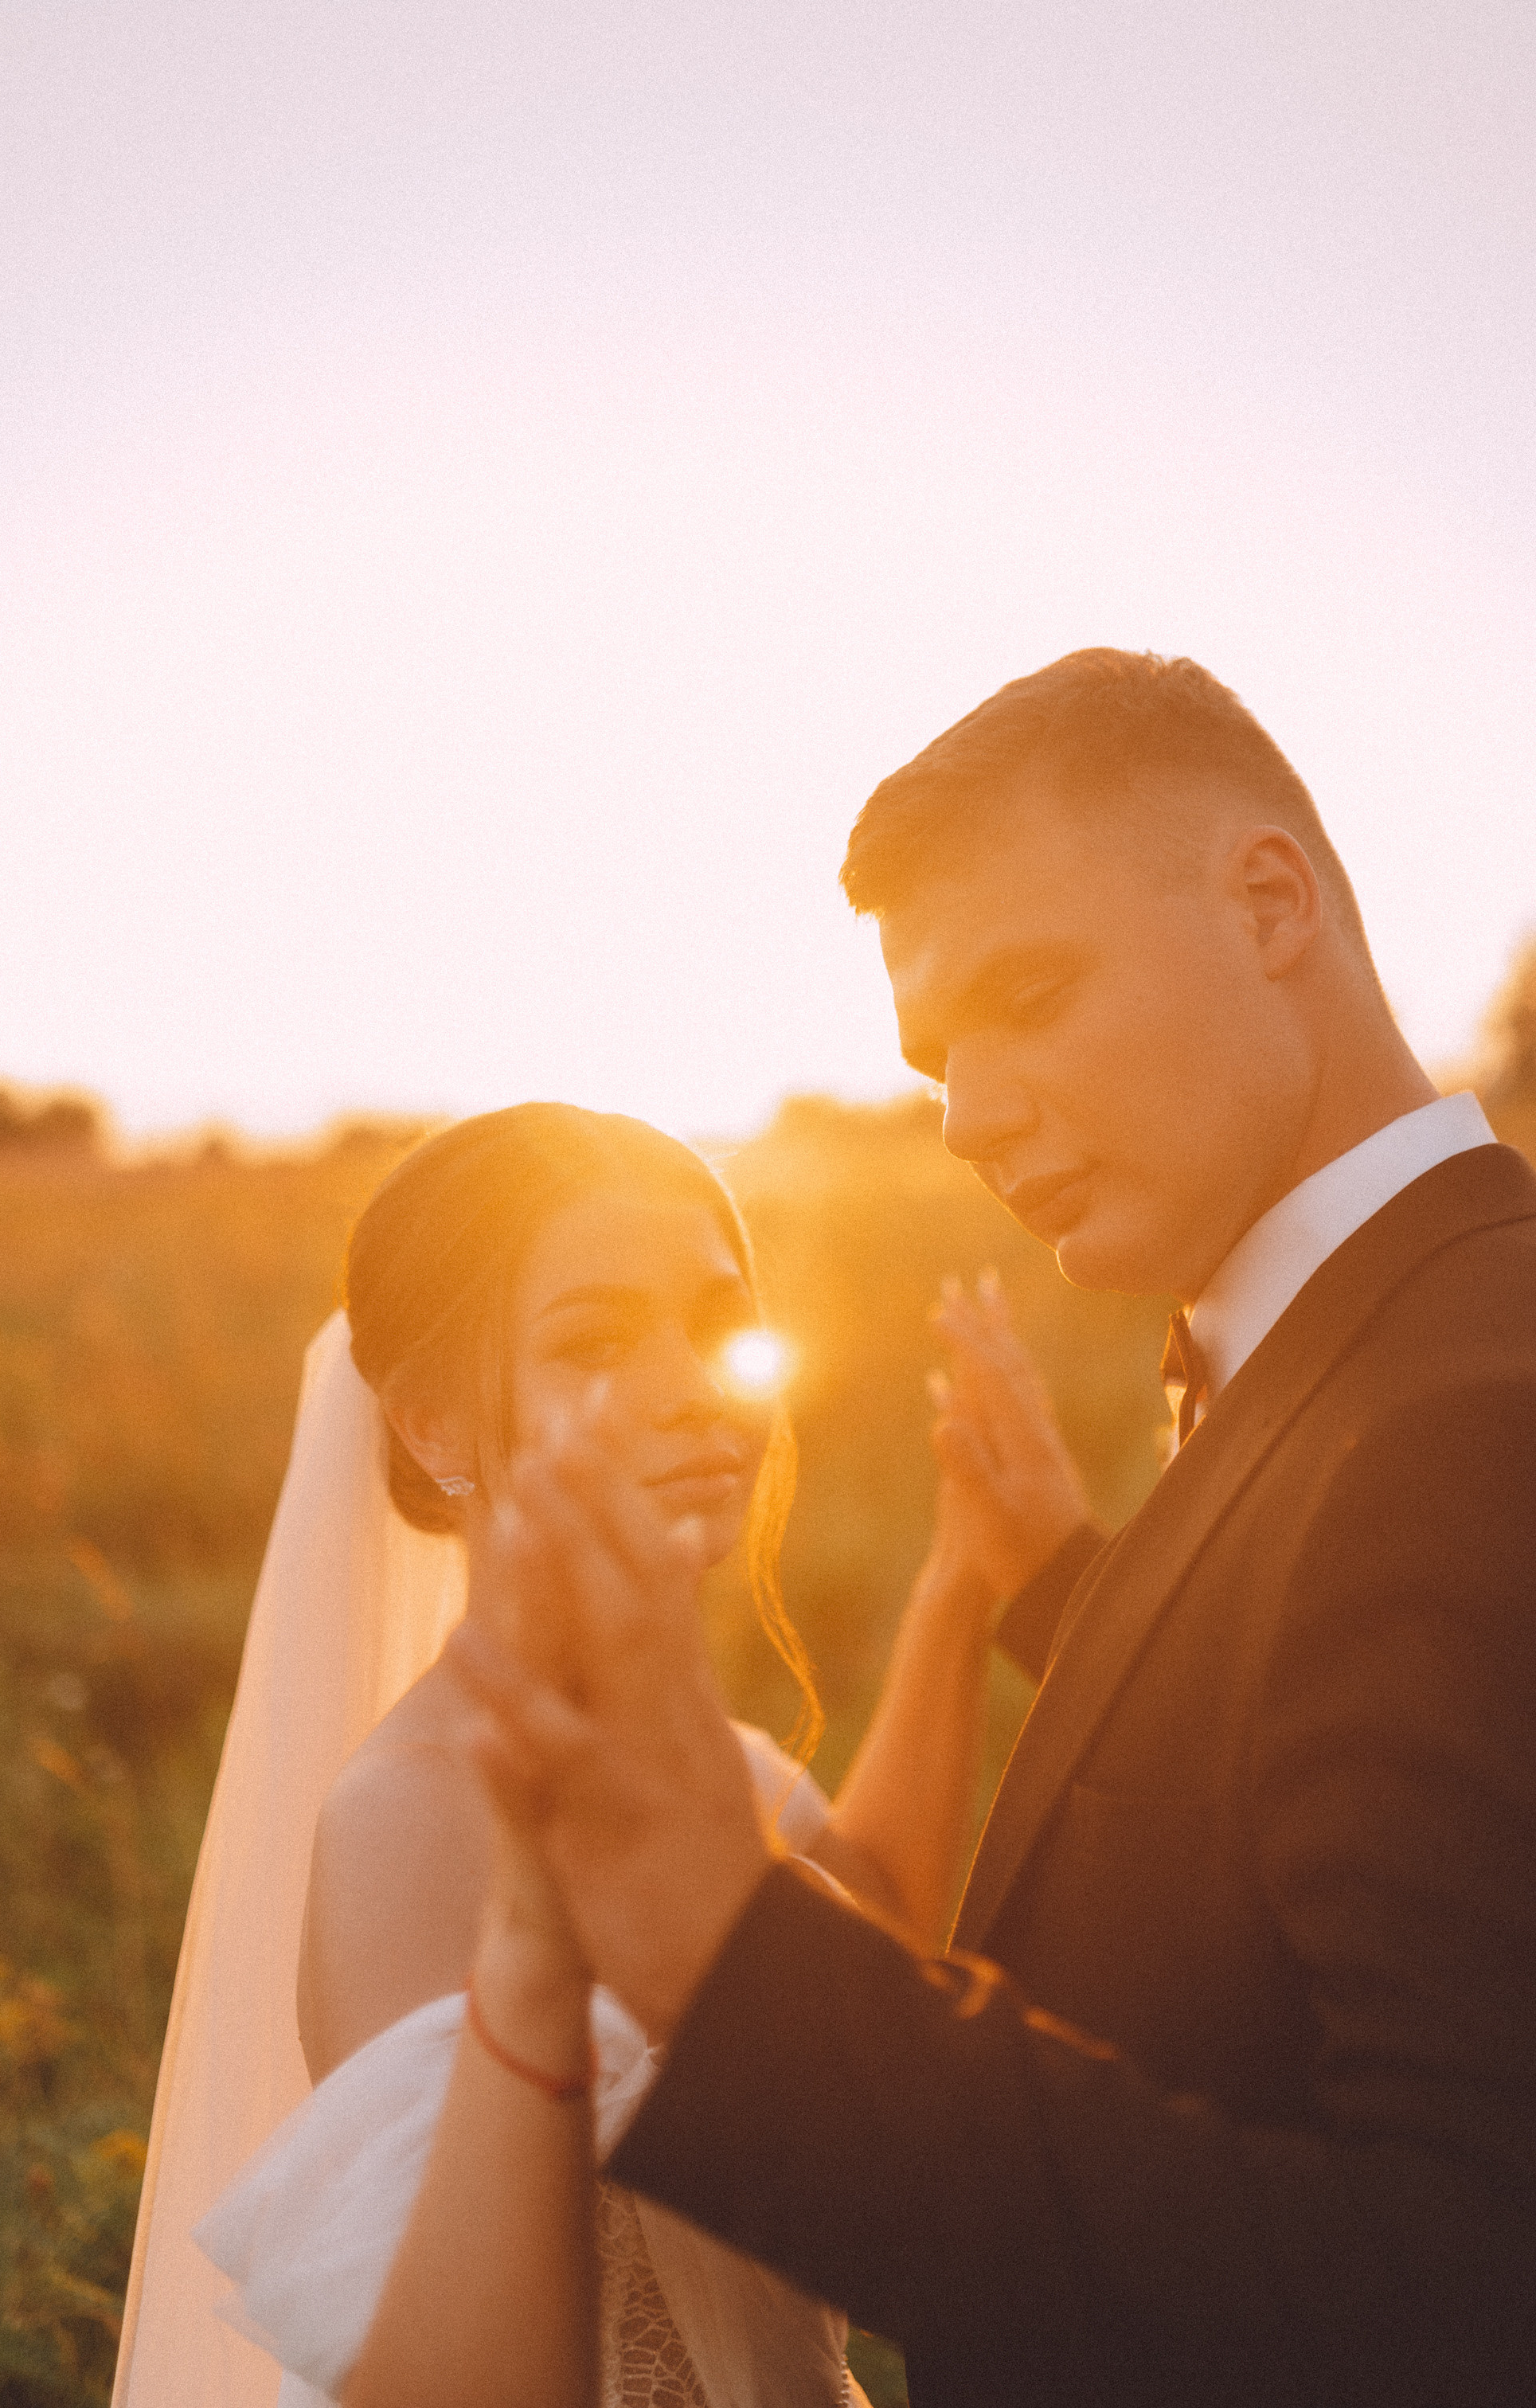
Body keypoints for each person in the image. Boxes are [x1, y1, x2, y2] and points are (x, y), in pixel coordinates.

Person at [451, 651, 1536, 2406]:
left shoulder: (1469, 1414)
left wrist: (724, 1955)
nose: (965, 1117)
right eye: (937, 1058)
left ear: (1271, 904)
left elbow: (1455, 2293)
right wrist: (1058, 1593)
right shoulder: (1369, 1354)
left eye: (1026, 996)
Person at [111, 1101, 1077, 2408]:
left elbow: (875, 1920)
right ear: (434, 1427)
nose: (695, 1388)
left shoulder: (712, 1763)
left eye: (719, 1326)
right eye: (597, 1343)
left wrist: (960, 1587)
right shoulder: (411, 1820)